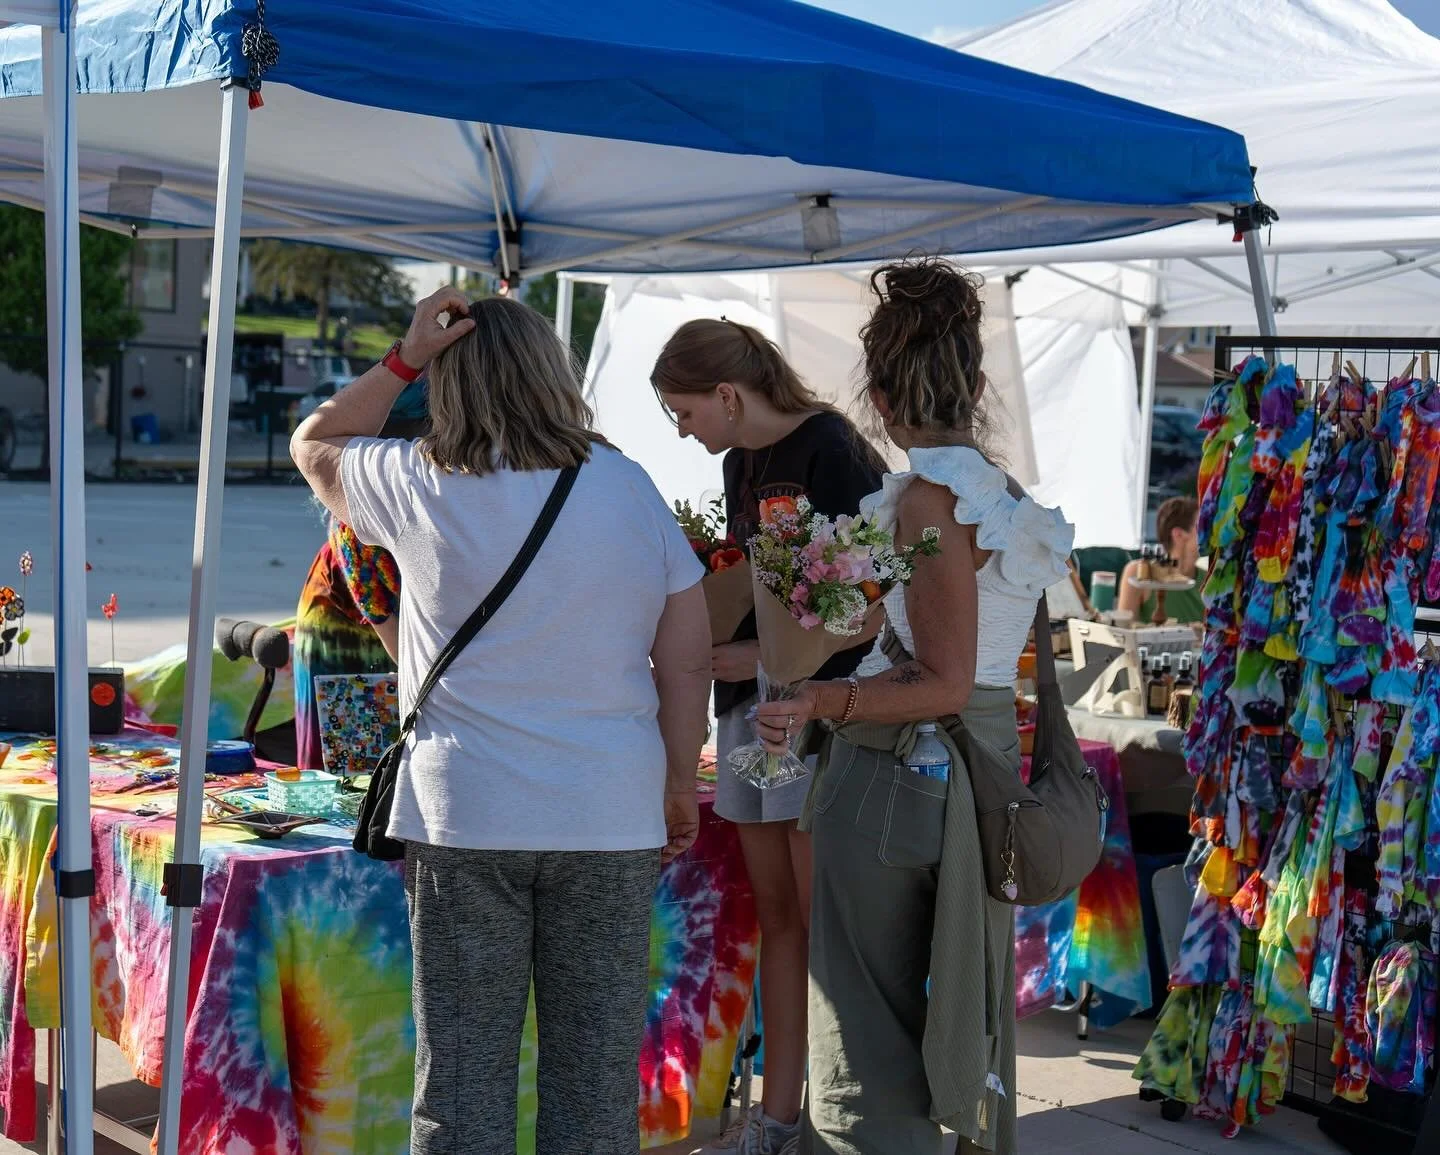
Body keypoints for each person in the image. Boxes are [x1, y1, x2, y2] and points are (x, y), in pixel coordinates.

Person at [290, 288, 712, 1155]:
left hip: (464, 811)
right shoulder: (628, 487)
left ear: (450, 383)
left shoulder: (417, 479)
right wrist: (677, 781)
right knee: (594, 1087)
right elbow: (687, 662)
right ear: (553, 373)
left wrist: (405, 354)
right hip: (607, 809)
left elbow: (314, 443)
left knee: (461, 1084)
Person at [753, 257, 1074, 1155]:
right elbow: (962, 645)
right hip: (977, 778)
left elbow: (938, 675)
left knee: (862, 1026)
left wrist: (819, 695)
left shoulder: (929, 499)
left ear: (883, 399)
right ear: (974, 386)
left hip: (905, 779)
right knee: (958, 1013)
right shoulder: (997, 496)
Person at [651, 318, 885, 1155]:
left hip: (819, 709)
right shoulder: (737, 462)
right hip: (748, 705)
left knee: (822, 922)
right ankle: (777, 1116)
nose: (683, 430)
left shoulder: (833, 450)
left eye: (683, 412)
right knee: (777, 916)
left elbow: (878, 597)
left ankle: (834, 1112)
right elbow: (756, 583)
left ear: (725, 394)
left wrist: (763, 649)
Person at [293, 382, 428, 771]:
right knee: (346, 753)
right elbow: (382, 613)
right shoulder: (358, 514)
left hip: (378, 620)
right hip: (338, 627)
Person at [1117, 495, 1203, 624]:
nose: (1210, 531)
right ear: (1178, 534)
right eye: (1202, 526)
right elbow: (1124, 632)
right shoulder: (1139, 573)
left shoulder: (1209, 580)